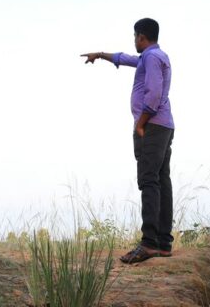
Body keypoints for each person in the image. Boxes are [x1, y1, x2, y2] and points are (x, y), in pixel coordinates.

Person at [82, 18, 174, 264]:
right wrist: (100, 55)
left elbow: (153, 94)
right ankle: (163, 243)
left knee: (149, 181)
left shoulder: (152, 59)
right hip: (163, 126)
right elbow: (125, 59)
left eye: (135, 36)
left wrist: (141, 123)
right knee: (161, 181)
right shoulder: (153, 56)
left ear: (141, 36)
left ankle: (149, 243)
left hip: (152, 126)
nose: (133, 40)